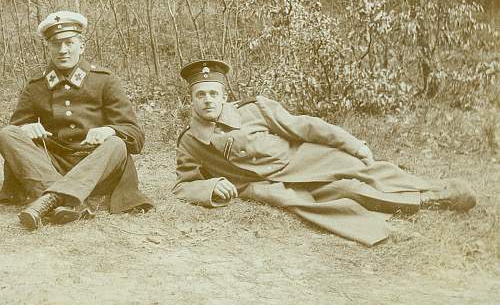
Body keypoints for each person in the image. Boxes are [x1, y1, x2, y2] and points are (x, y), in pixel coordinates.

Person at [174, 59, 476, 247]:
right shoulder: (191, 141)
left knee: (361, 169)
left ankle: (435, 190)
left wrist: (354, 144)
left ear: (225, 96)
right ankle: (418, 206)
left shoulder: (255, 109)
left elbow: (306, 127)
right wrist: (211, 186)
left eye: (214, 93)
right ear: (191, 101)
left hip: (303, 157)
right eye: (201, 95)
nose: (208, 100)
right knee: (340, 193)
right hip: (272, 185)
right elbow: (183, 185)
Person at [0, 11, 153, 230]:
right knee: (7, 133)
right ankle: (64, 198)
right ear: (49, 48)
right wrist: (26, 128)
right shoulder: (36, 86)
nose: (63, 50)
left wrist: (109, 130)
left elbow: (136, 136)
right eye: (56, 44)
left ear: (81, 46)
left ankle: (49, 199)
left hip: (97, 165)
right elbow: (15, 136)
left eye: (69, 43)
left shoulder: (105, 80)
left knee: (117, 143)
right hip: (53, 165)